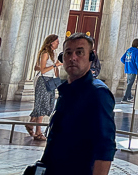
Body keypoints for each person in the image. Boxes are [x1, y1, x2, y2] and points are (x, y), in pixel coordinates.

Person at [40, 33, 116, 175]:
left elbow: (105, 147)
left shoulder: (98, 93)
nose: (72, 58)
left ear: (91, 57)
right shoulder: (65, 91)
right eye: (68, 53)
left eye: (79, 52)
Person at [28, 34, 61, 142]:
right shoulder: (45, 53)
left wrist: (57, 76)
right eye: (56, 41)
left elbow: (51, 68)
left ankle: (30, 124)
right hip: (43, 81)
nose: (58, 43)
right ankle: (38, 132)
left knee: (48, 105)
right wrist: (55, 65)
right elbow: (42, 70)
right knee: (42, 105)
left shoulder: (53, 54)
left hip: (50, 80)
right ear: (51, 42)